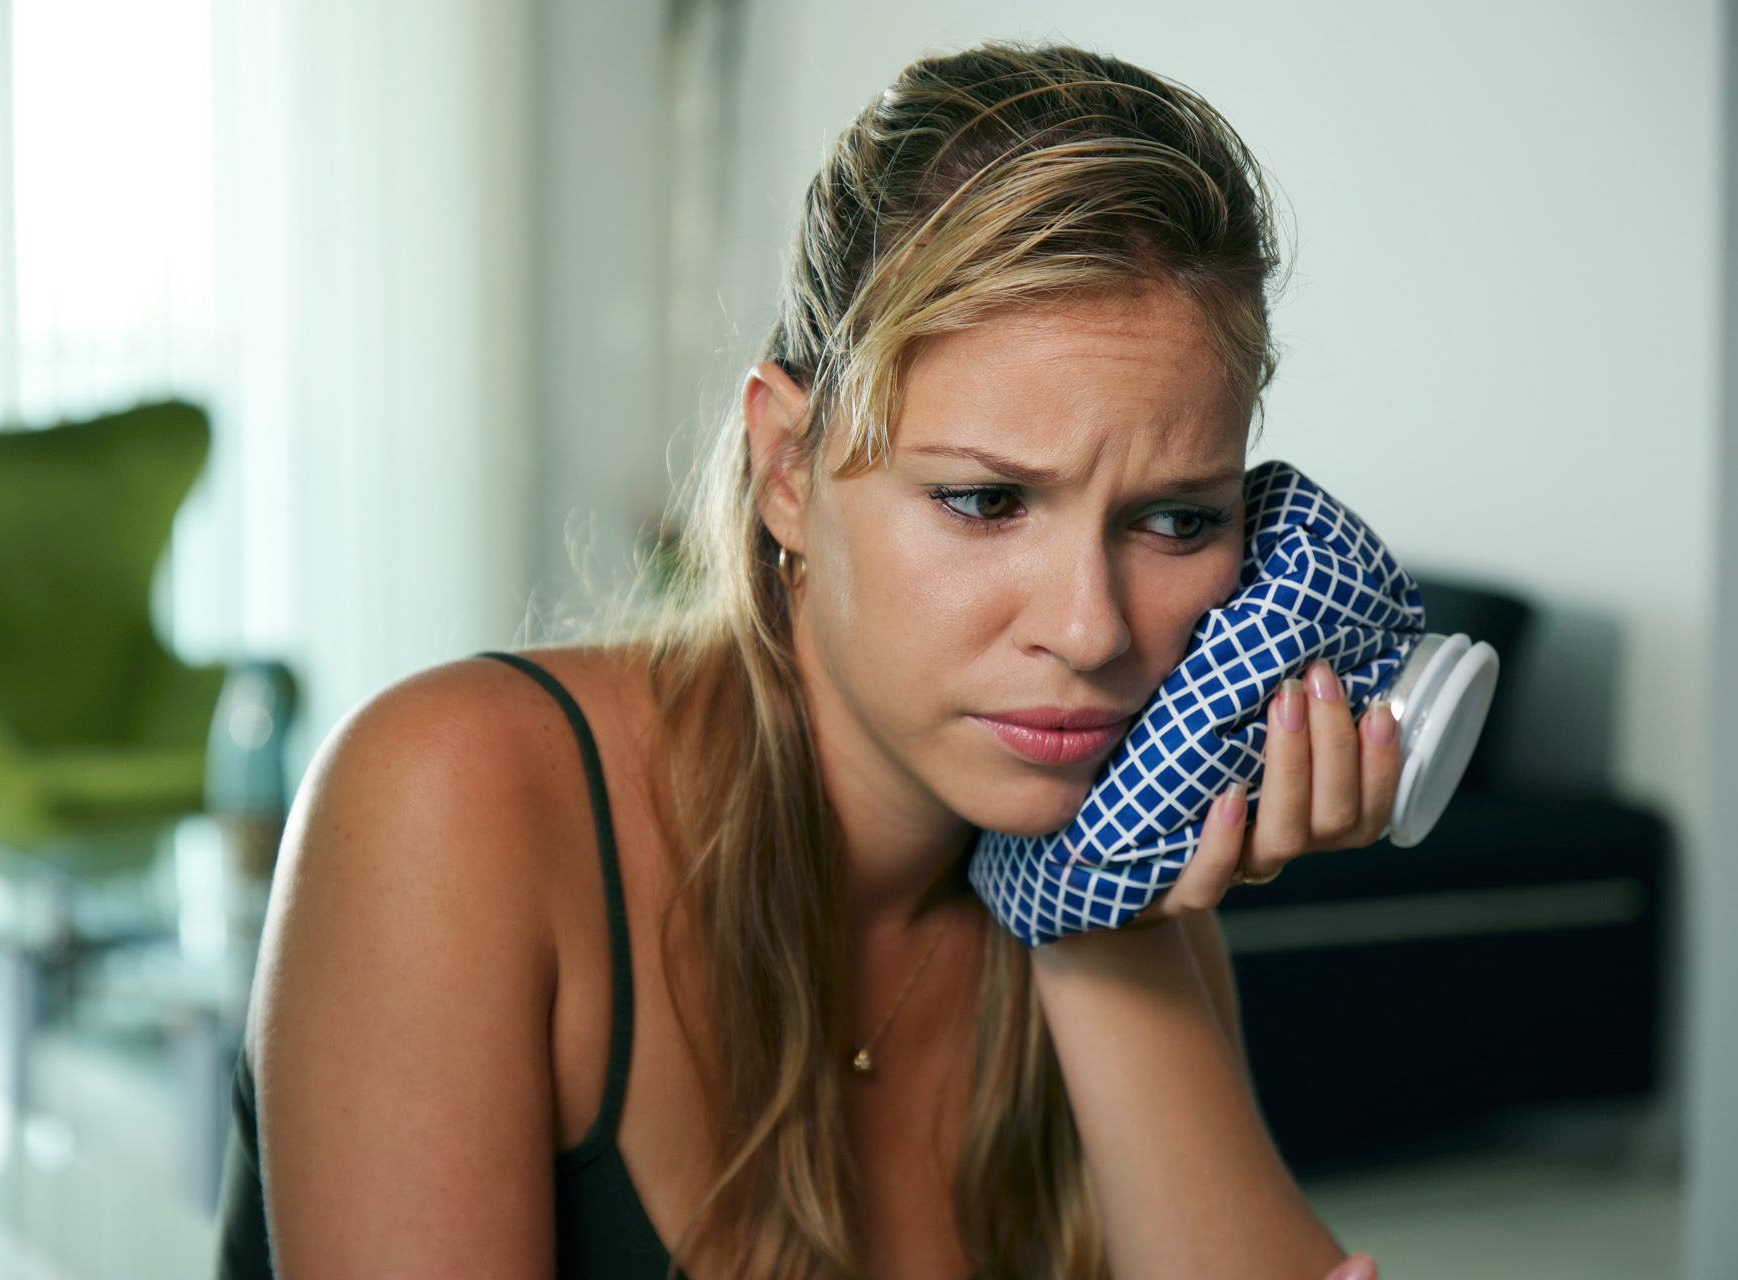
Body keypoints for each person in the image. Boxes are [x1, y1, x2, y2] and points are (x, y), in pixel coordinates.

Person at [219, 42, 1395, 1280]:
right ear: (789, 468)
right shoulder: (451, 800)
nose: (1094, 629)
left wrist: (1101, 914)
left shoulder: (1121, 880)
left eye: (1176, 519)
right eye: (988, 500)